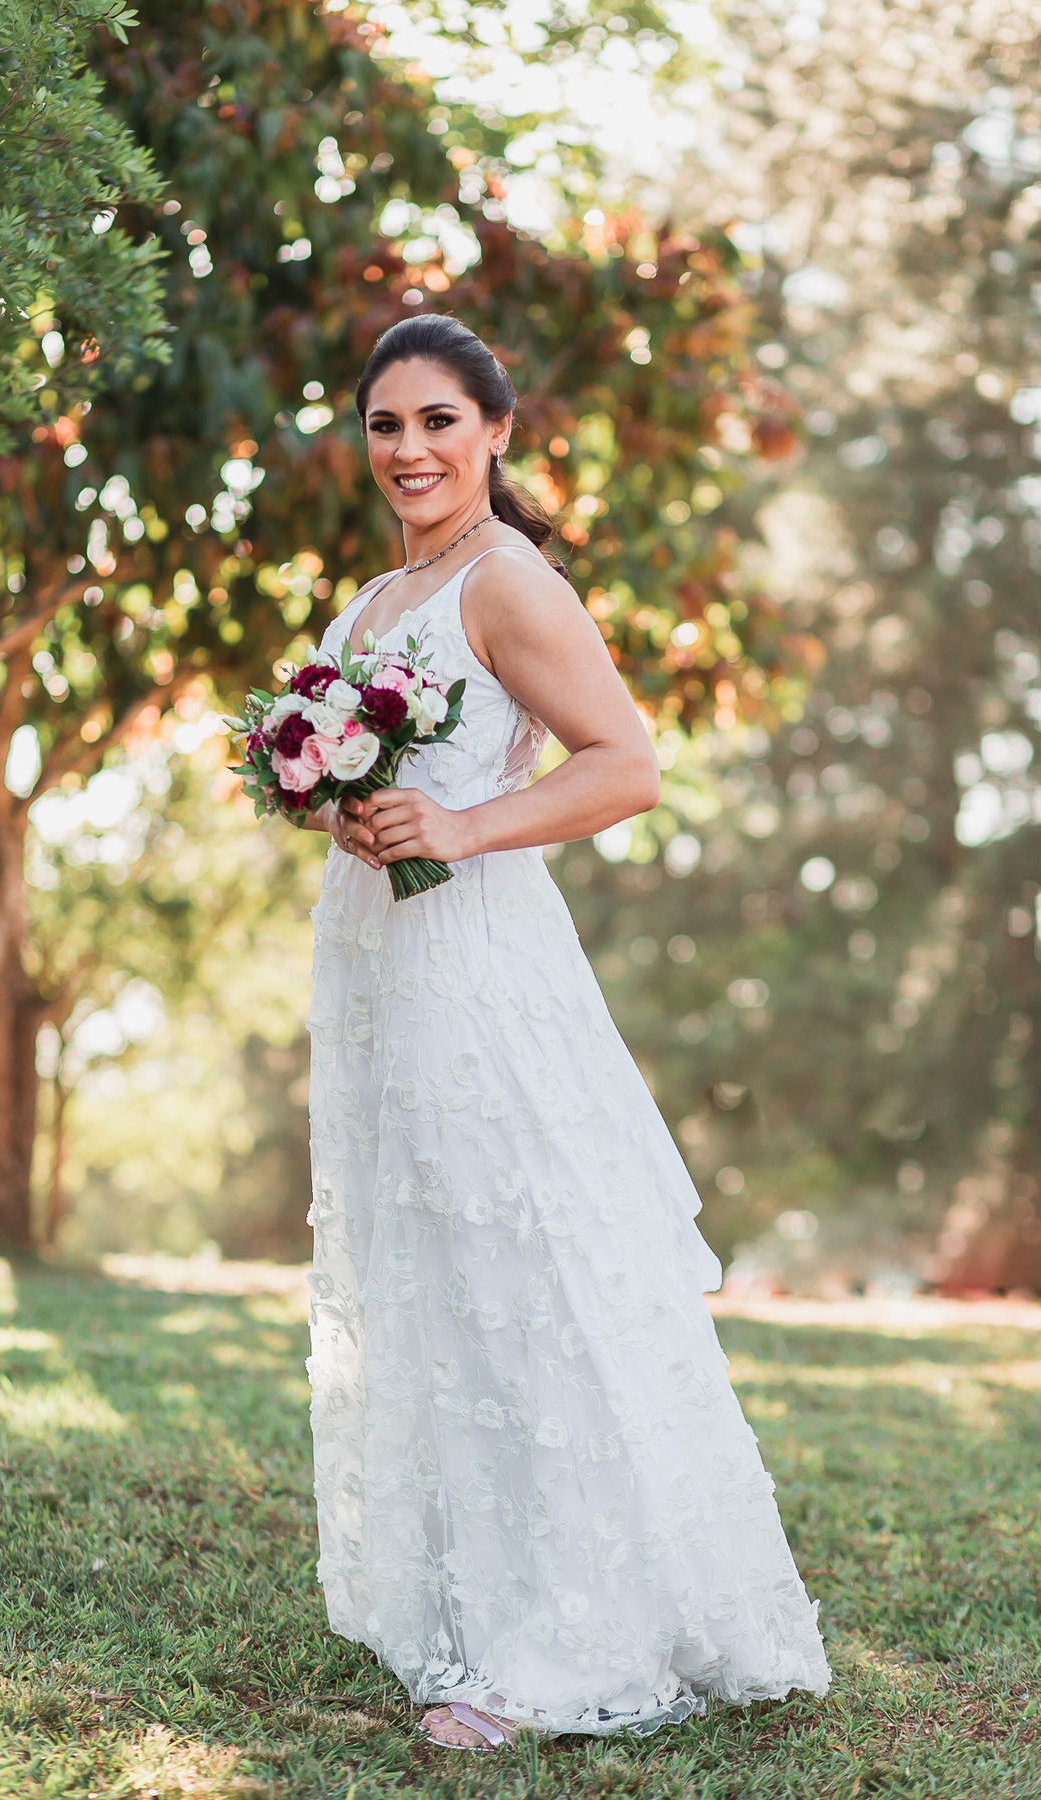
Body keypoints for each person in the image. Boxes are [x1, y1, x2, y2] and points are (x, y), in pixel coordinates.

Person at [297, 314, 829, 1751]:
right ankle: (469, 1601)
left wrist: (459, 824)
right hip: (380, 963)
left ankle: (555, 1643)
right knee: (432, 1275)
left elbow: (629, 765)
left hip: (475, 963)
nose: (410, 450)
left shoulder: (507, 578)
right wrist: (344, 802)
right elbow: (386, 766)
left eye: (437, 423)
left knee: (513, 1269)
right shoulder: (370, 601)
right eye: (386, 425)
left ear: (496, 434)